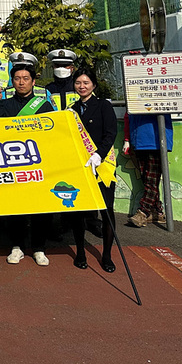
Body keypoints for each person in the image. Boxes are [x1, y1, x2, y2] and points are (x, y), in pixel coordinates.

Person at [0, 53, 55, 266]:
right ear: (13, 81)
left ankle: (39, 248)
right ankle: (17, 246)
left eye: (25, 78)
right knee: (16, 209)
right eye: (17, 78)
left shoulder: (44, 105)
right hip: (13, 165)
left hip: (37, 166)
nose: (21, 82)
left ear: (33, 81)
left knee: (40, 209)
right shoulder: (6, 105)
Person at [69, 69, 118, 273]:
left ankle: (106, 255)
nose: (82, 86)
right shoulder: (71, 110)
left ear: (94, 85)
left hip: (102, 164)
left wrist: (98, 155)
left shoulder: (103, 105)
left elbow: (111, 133)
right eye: (79, 83)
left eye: (86, 82)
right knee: (79, 211)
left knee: (106, 210)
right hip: (81, 166)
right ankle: (80, 251)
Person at [125, 112, 172, 227]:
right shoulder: (133, 97)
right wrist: (127, 139)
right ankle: (157, 212)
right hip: (139, 140)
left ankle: (143, 212)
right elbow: (128, 115)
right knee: (147, 180)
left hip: (156, 140)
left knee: (151, 180)